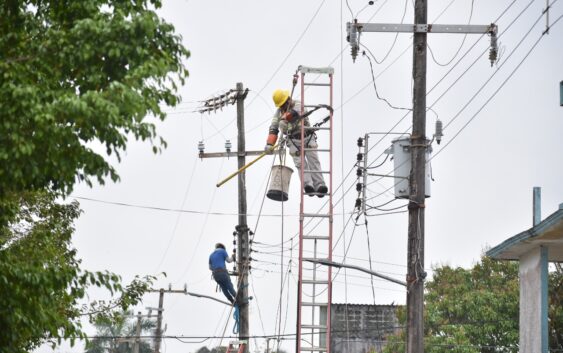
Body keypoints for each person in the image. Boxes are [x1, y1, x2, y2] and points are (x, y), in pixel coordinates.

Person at [265, 89, 327, 197]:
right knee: (301, 164)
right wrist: (270, 144)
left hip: (307, 137)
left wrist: (285, 118)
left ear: (289, 99)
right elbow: (273, 128)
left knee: (314, 161)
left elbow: (296, 114)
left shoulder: (298, 104)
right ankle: (308, 186)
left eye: (284, 103)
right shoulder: (279, 113)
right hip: (294, 141)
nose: (283, 106)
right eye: (281, 105)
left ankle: (320, 185)